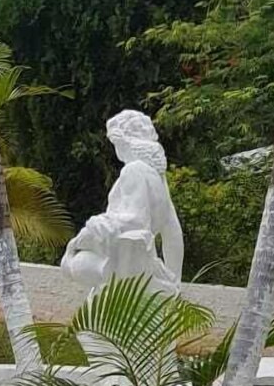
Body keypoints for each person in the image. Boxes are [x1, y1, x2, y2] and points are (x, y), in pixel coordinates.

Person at [61, 110, 184, 292]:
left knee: (77, 263)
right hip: (141, 265)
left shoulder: (134, 170)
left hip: (129, 263)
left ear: (122, 142)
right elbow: (173, 232)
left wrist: (94, 227)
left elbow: (135, 221)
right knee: (77, 261)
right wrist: (174, 280)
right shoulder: (157, 177)